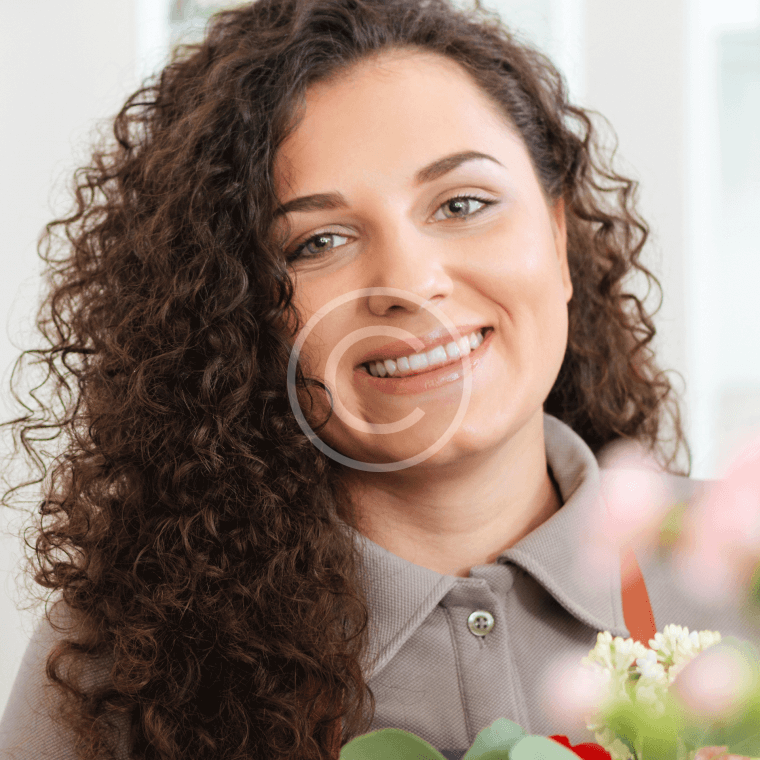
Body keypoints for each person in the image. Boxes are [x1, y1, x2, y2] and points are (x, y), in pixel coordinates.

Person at [0, 1, 756, 759]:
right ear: (238, 310)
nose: (409, 282)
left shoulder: (739, 573)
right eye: (318, 242)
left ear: (558, 240)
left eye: (462, 204)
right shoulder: (122, 659)